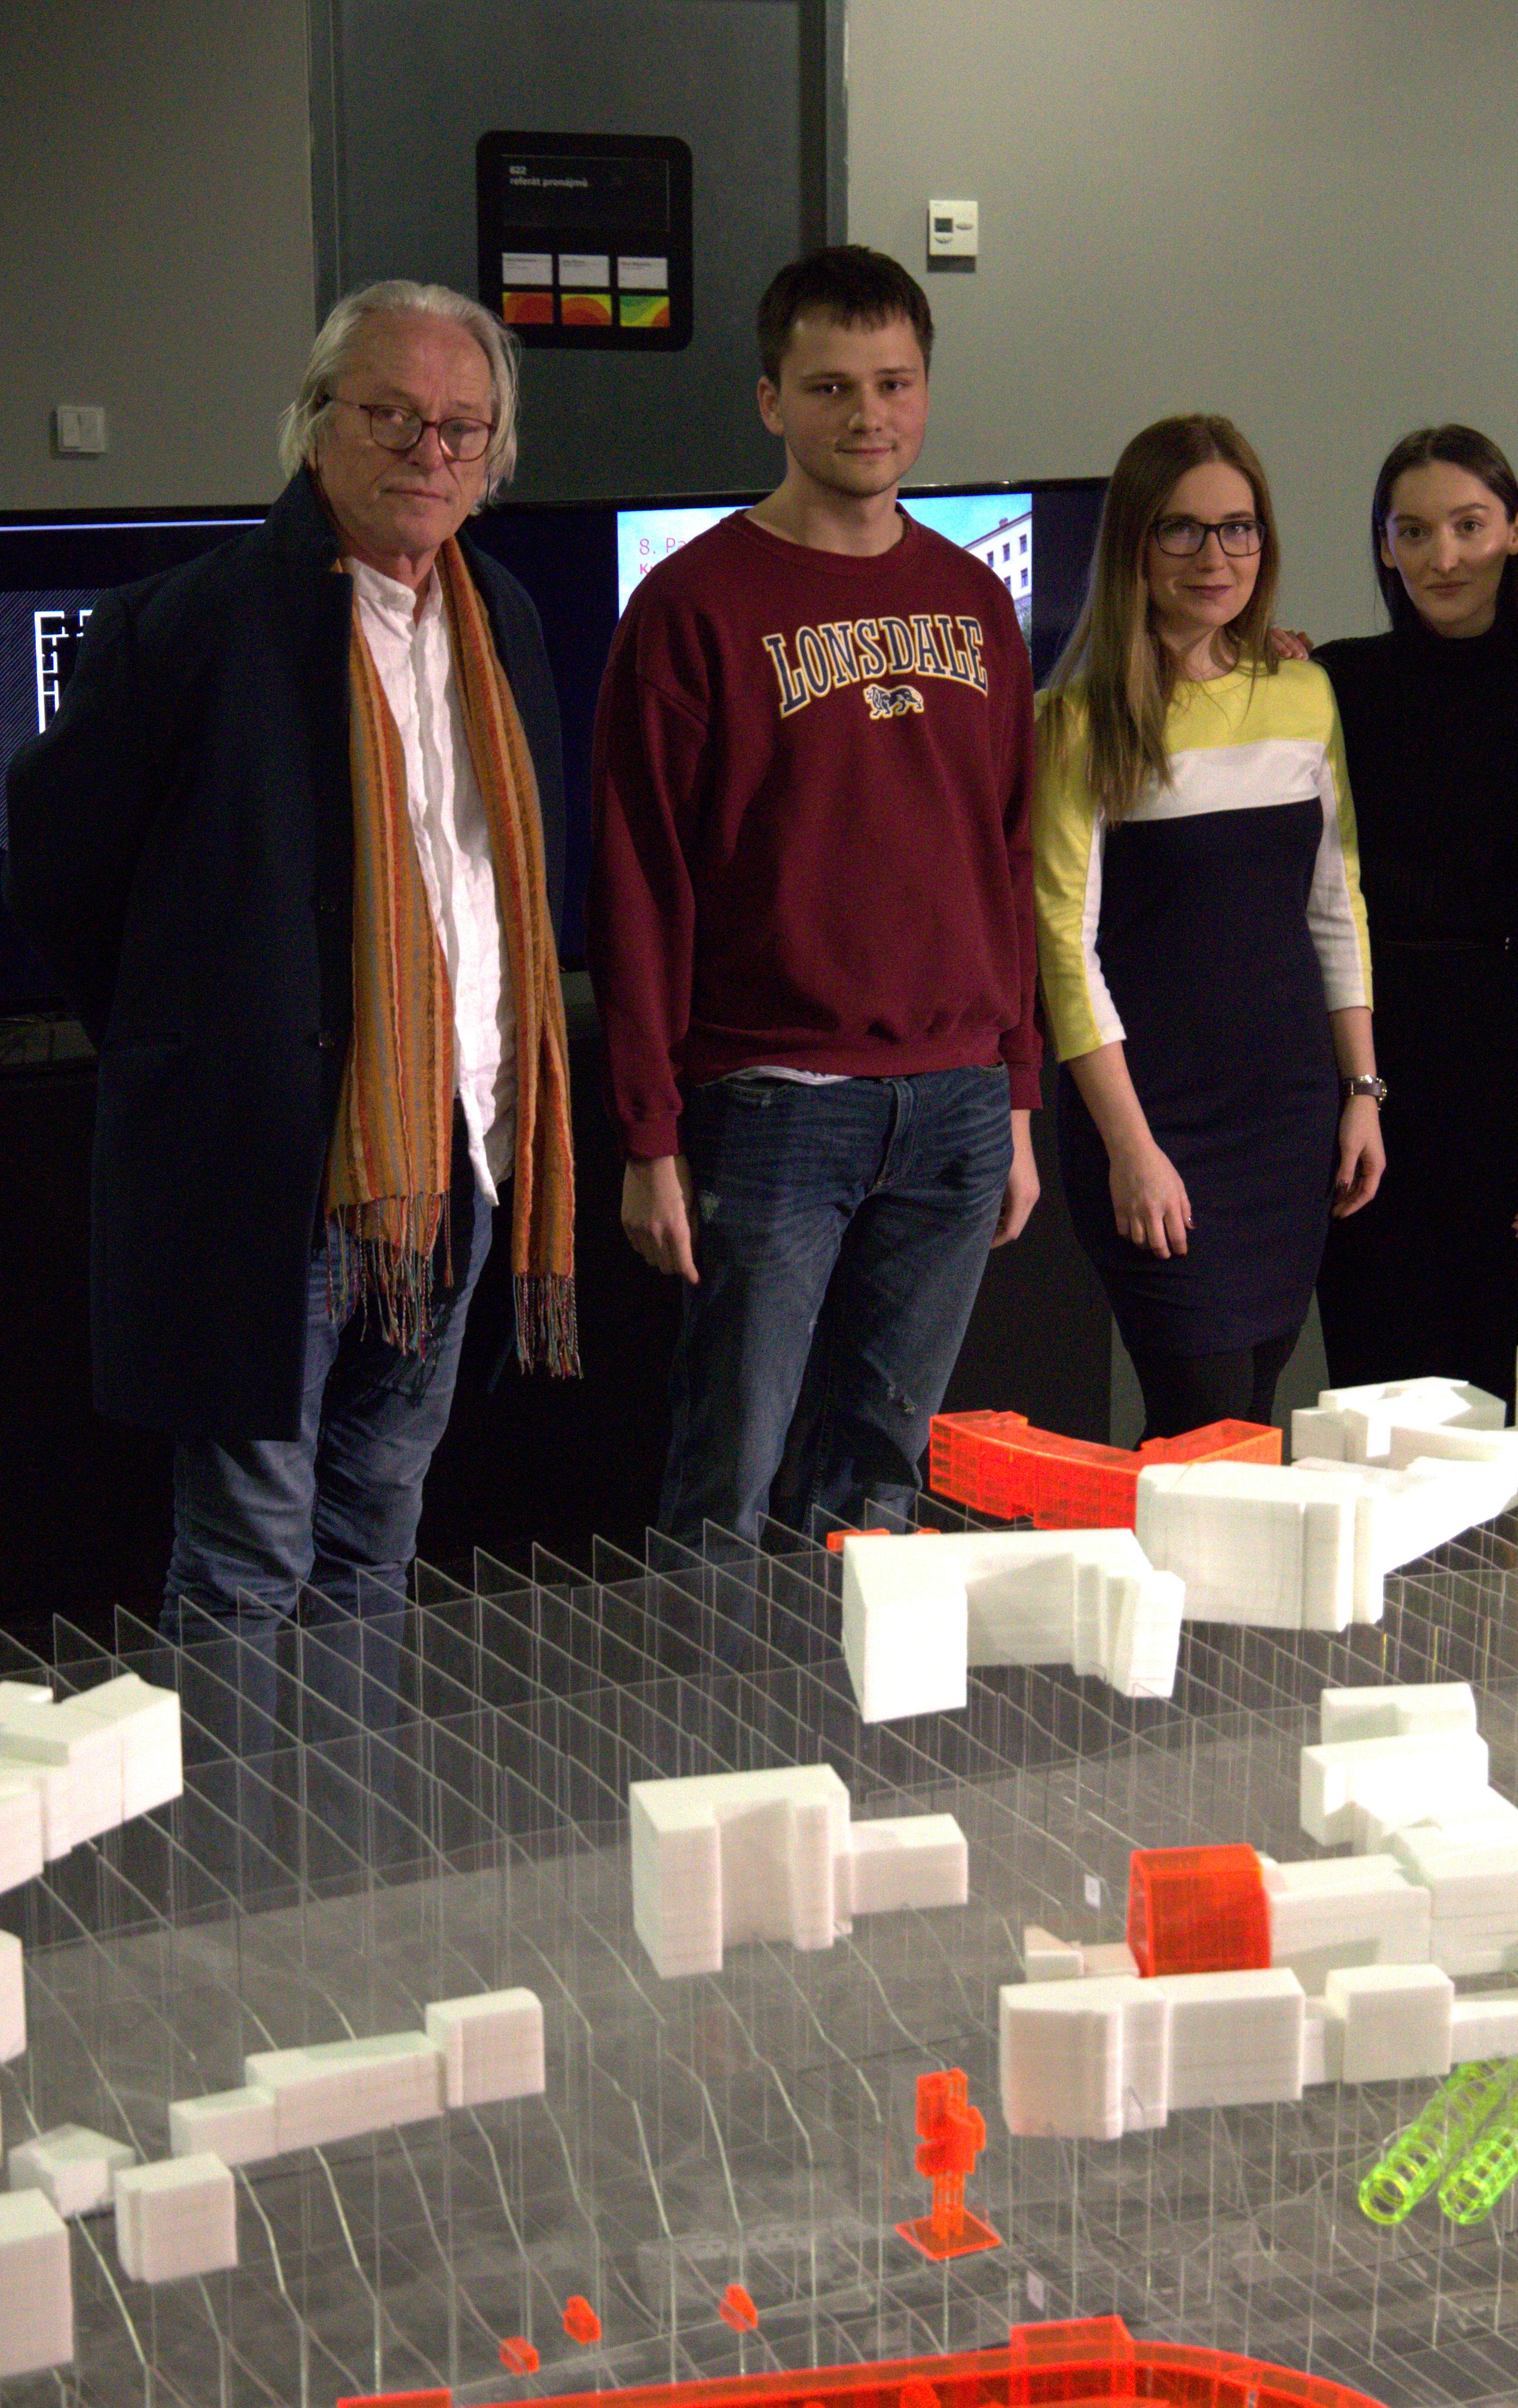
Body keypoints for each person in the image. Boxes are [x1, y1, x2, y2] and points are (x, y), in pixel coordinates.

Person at [7, 279, 576, 1833]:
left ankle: (341, 1849)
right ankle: (231, 1877)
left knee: (377, 1539)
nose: (428, 452)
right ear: (317, 426)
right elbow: (59, 868)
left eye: (461, 427)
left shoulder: (505, 617)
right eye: (391, 416)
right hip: (265, 1169)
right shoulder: (195, 622)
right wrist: (195, 1037)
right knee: (249, 1556)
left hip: (454, 1158)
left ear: (494, 452)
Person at [592, 246, 1037, 1546]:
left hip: (957, 1104)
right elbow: (637, 880)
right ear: (770, 400)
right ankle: (711, 1691)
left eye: (894, 383)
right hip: (773, 1104)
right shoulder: (691, 605)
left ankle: (851, 1693)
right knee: (727, 1484)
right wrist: (649, 1131)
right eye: (832, 386)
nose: (868, 415)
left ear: (925, 390)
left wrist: (1017, 1095)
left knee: (879, 1492)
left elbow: (1010, 856)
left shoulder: (975, 602)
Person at [1034, 415, 1380, 1438]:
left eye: (1239, 528)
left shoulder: (1304, 695)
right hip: (1156, 1125)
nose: (1214, 556)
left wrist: (1362, 1092)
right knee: (1202, 1422)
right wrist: (1130, 1147)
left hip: (1289, 1118)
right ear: (1135, 547)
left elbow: (1336, 907)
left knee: (1253, 1419)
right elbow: (1064, 950)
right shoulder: (1077, 723)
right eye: (1181, 530)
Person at [1313, 426, 1518, 1410]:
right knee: (1365, 1386)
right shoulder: (1335, 685)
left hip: (1499, 1079)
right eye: (1415, 531)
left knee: (1481, 1389)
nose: (1444, 557)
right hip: (1361, 1063)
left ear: (1515, 531)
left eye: (1469, 526)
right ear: (1385, 546)